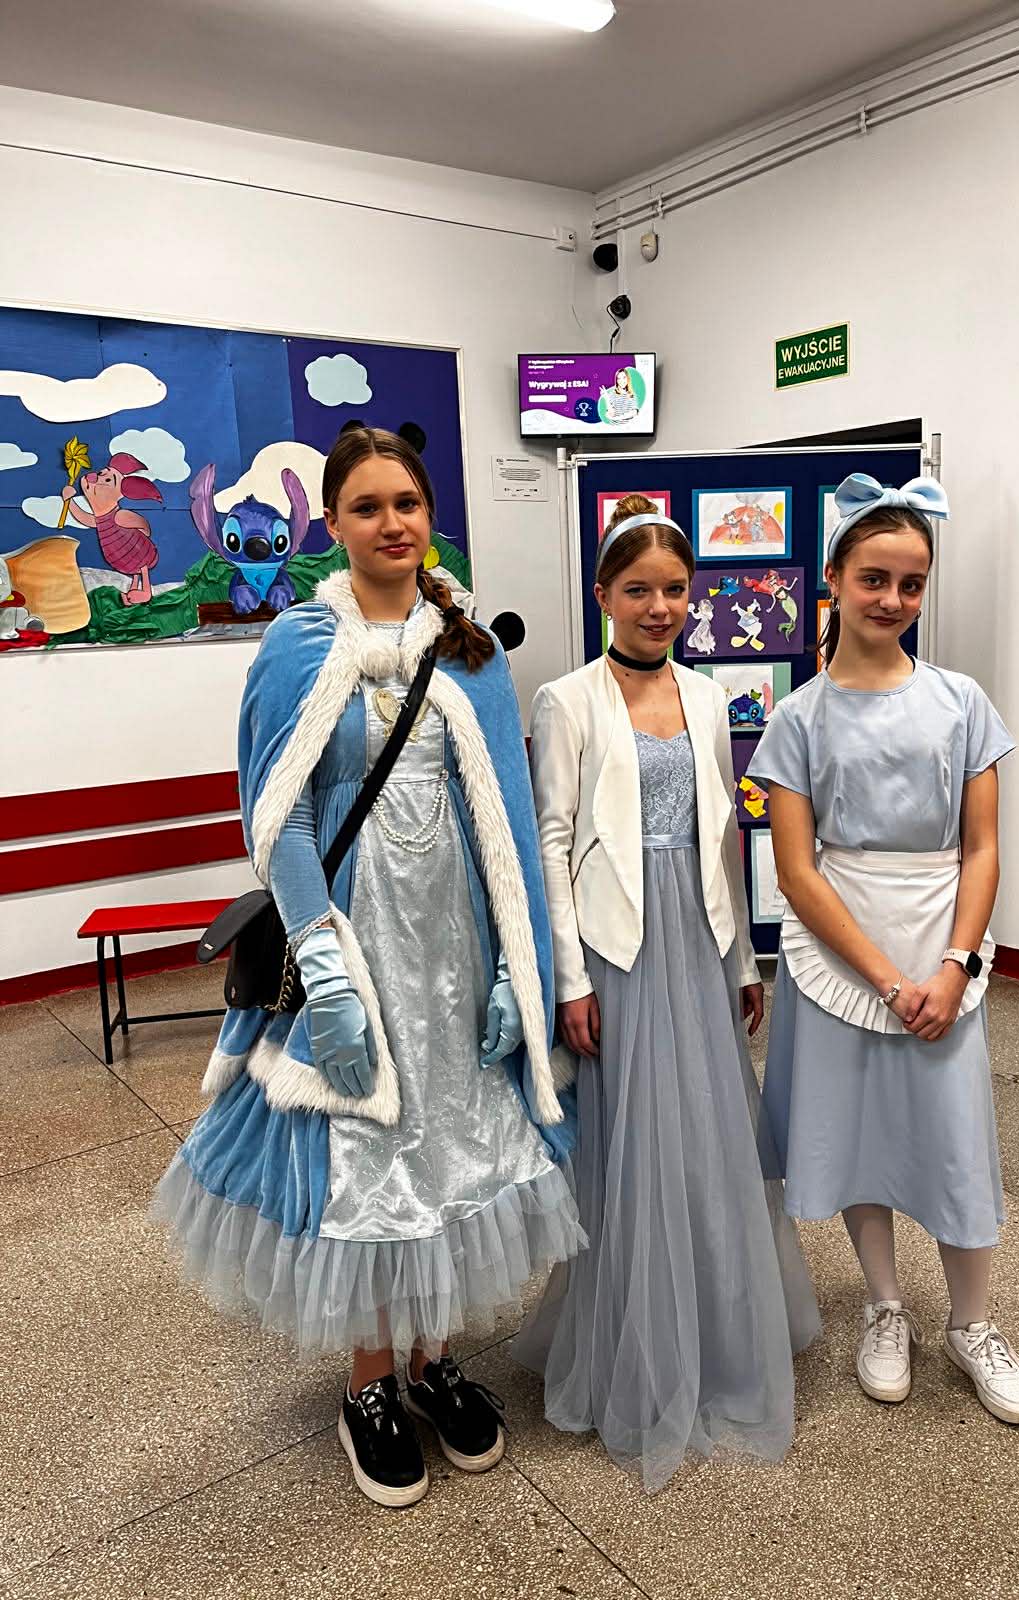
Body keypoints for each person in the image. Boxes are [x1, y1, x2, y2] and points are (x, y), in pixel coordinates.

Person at [153, 425, 584, 1508]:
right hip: (359, 946)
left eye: (408, 504)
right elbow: (280, 817)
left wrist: (515, 967)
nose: (393, 523)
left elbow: (504, 822)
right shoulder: (298, 646)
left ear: (429, 515)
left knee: (452, 1150)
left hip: (457, 951)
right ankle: (369, 1384)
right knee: (371, 1157)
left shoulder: (472, 649)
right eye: (368, 507)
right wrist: (324, 963)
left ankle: (434, 1362)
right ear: (335, 526)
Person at [514, 494, 820, 1490]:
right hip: (618, 945)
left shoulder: (707, 695)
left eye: (675, 590)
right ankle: (633, 1346)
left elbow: (722, 832)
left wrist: (744, 962)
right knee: (632, 1143)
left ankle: (717, 1332)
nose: (659, 607)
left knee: (707, 1137)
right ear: (603, 594)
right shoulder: (567, 699)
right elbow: (551, 843)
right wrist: (569, 979)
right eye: (639, 589)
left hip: (697, 937)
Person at [749, 472, 1019, 1427]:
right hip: (841, 948)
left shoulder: (962, 703)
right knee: (854, 1133)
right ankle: (885, 1305)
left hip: (942, 937)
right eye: (873, 578)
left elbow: (982, 849)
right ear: (832, 578)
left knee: (955, 1139)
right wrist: (883, 979)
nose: (892, 599)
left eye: (911, 583)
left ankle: (972, 1322)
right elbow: (798, 870)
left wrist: (954, 968)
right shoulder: (798, 718)